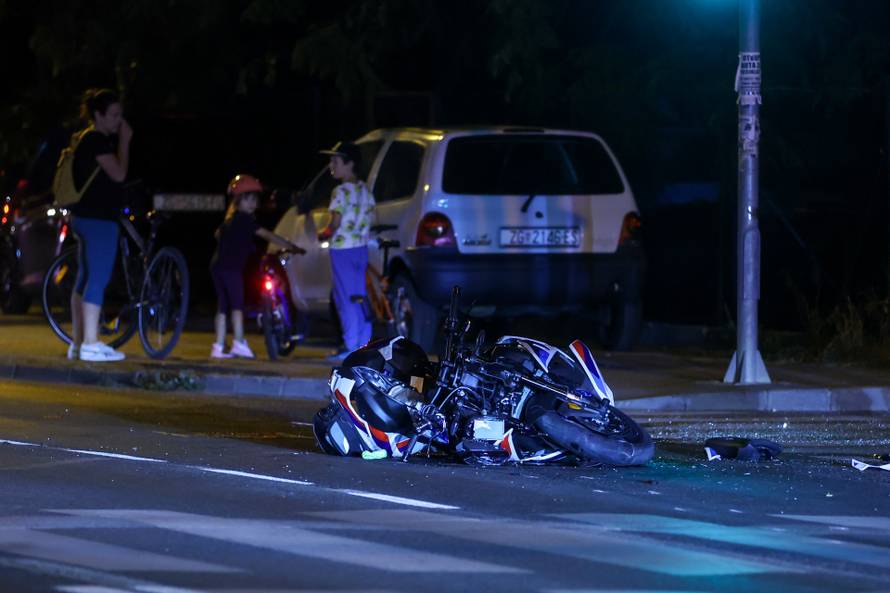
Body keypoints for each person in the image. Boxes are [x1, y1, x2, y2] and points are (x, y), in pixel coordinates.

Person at [68, 88, 132, 362]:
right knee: (98, 277)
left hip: (83, 217)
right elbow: (118, 174)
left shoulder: (84, 139)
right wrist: (125, 143)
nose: (119, 121)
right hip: (98, 220)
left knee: (84, 278)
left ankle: (79, 342)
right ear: (98, 115)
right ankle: (91, 344)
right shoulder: (97, 141)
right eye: (114, 115)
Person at [210, 174, 304, 359]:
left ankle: (218, 347)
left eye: (254, 199)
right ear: (238, 201)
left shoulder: (229, 221)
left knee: (222, 307)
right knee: (237, 305)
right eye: (248, 200)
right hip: (231, 269)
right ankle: (238, 342)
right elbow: (268, 235)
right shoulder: (245, 220)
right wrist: (291, 246)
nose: (253, 203)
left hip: (216, 267)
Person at [316, 141, 376, 361]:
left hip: (342, 249)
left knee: (344, 298)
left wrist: (323, 233)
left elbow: (335, 223)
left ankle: (350, 345)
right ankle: (363, 343)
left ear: (349, 164)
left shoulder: (340, 191)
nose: (331, 165)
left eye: (336, 160)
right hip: (361, 249)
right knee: (359, 296)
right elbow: (372, 218)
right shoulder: (365, 190)